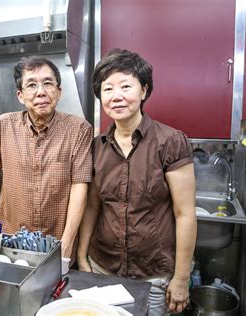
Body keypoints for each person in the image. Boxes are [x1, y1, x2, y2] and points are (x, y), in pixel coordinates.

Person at [77, 49, 197, 315]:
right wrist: (82, 257)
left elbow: (185, 213)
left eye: (125, 86)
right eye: (107, 89)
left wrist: (181, 278)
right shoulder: (97, 147)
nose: (116, 96)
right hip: (102, 268)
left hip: (153, 274)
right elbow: (92, 207)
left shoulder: (170, 141)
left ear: (143, 91)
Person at [0, 56, 93, 265]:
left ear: (59, 91)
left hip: (56, 240)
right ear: (20, 95)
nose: (41, 92)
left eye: (48, 83)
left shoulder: (79, 130)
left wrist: (65, 247)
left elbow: (79, 187)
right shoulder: (2, 126)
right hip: (11, 243)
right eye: (31, 85)